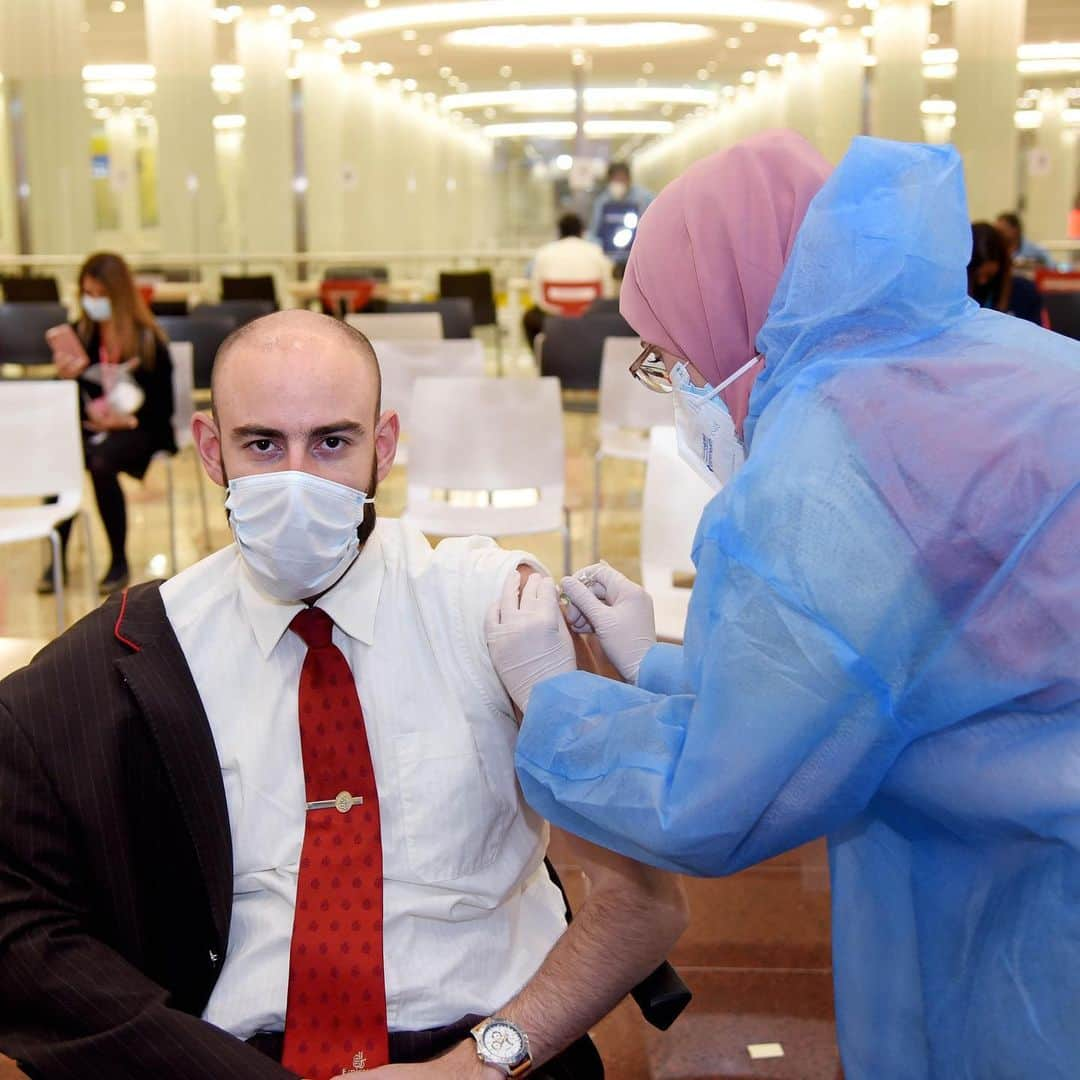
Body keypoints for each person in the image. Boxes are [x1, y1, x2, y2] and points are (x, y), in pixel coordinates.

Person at [487, 132, 1080, 1077]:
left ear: (738, 313)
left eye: (667, 359)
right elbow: (894, 677)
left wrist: (551, 696)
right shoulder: (998, 362)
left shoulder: (820, 471)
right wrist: (656, 662)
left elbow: (719, 798)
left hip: (1031, 909)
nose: (674, 385)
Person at [0, 309, 688, 1080]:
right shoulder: (146, 647)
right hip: (244, 1058)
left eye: (332, 442)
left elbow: (643, 906)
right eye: (263, 444)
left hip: (488, 1048)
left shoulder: (490, 615)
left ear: (383, 447)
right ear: (209, 450)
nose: (298, 480)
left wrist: (479, 1063)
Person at [42, 251, 175, 595]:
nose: (93, 302)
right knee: (62, 460)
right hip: (90, 429)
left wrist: (124, 420)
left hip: (138, 429)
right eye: (88, 293)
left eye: (101, 295)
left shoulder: (147, 339)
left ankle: (118, 559)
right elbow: (64, 406)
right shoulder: (79, 335)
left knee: (101, 464)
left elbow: (163, 407)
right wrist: (64, 378)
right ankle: (55, 559)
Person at [522, 212, 612, 349]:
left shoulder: (545, 253)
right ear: (582, 232)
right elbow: (607, 294)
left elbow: (538, 298)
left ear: (559, 232)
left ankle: (541, 360)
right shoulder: (596, 252)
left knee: (529, 318)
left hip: (553, 318)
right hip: (589, 318)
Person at [967, 221, 1044, 324]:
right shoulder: (954, 297)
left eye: (989, 275)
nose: (982, 282)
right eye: (976, 276)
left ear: (1003, 265)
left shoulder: (1025, 293)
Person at [587, 163, 653, 264]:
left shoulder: (644, 198)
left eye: (622, 180)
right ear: (609, 181)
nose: (619, 183)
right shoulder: (602, 202)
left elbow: (655, 227)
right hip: (610, 260)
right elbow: (593, 233)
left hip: (638, 258)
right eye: (615, 180)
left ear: (629, 180)